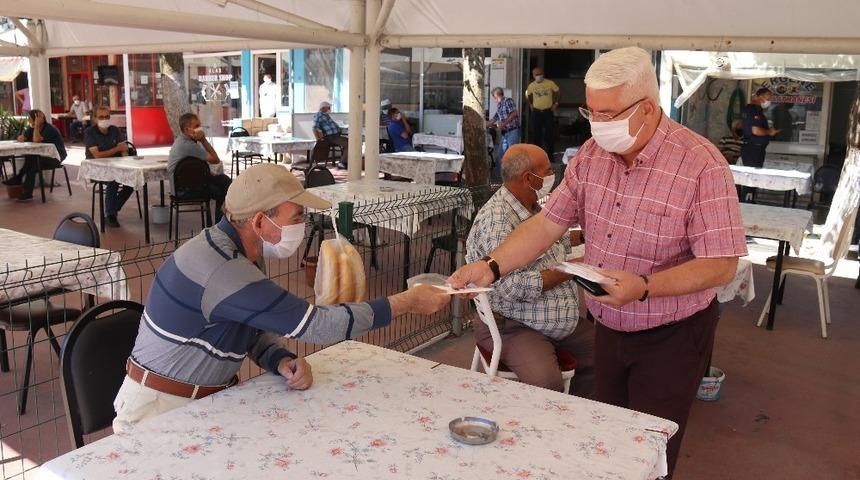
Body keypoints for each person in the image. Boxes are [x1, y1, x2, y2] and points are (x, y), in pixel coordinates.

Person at [449, 47, 747, 478]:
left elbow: (721, 264)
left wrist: (644, 287)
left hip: (672, 334)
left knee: (650, 448)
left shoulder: (701, 164)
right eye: (591, 111)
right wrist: (492, 266)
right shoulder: (591, 156)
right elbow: (546, 225)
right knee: (607, 435)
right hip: (609, 325)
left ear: (647, 108)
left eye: (608, 113)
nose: (597, 123)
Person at [113, 163, 451, 432]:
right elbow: (317, 325)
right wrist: (407, 301)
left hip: (198, 402)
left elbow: (244, 326)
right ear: (260, 222)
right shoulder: (225, 268)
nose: (302, 225)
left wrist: (278, 358)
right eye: (297, 217)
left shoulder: (233, 251)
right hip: (161, 411)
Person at [466, 144, 594, 396]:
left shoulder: (528, 205)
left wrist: (582, 236)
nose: (553, 175)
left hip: (552, 321)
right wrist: (571, 270)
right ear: (528, 178)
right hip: (514, 324)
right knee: (546, 384)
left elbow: (549, 239)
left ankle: (578, 412)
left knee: (608, 357)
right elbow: (510, 287)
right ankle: (551, 417)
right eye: (547, 171)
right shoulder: (498, 219)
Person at [168, 113, 232, 222]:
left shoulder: (183, 140)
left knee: (224, 180)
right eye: (196, 126)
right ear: (187, 130)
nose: (200, 129)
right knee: (220, 192)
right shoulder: (188, 145)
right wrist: (203, 140)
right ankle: (220, 224)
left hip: (190, 183)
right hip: (183, 189)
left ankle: (223, 221)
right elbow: (215, 159)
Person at [2, 110, 67, 202]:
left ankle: (26, 190)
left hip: (55, 158)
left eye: (30, 118)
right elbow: (22, 138)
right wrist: (21, 137)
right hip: (43, 156)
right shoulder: (31, 128)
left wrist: (36, 126)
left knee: (33, 163)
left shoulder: (49, 129)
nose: (29, 120)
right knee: (31, 158)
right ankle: (20, 181)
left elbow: (37, 140)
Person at [84, 106, 132, 227]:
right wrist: (117, 149)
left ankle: (113, 209)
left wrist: (125, 157)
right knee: (113, 179)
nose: (104, 119)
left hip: (115, 166)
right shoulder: (90, 132)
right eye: (101, 117)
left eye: (107, 117)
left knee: (132, 180)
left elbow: (123, 149)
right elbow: (97, 155)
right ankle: (110, 215)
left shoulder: (114, 130)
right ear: (95, 118)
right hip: (96, 168)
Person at [740, 87, 779, 202]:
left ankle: (750, 200)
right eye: (768, 98)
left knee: (753, 178)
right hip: (753, 149)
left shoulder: (756, 110)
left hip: (756, 148)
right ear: (760, 96)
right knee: (751, 178)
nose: (769, 101)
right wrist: (769, 132)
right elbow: (755, 130)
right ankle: (747, 202)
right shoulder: (753, 110)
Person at [525, 67, 560, 157]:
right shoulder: (531, 85)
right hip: (536, 113)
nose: (539, 76)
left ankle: (550, 156)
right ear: (533, 75)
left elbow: (558, 92)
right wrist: (530, 104)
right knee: (536, 135)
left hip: (548, 112)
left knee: (549, 134)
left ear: (543, 74)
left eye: (540, 74)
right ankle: (537, 156)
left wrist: (556, 103)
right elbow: (527, 95)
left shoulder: (550, 83)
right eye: (536, 75)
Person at [487, 87, 520, 178]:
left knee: (512, 155)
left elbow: (514, 113)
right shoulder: (499, 105)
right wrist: (484, 124)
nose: (494, 99)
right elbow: (494, 119)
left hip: (512, 131)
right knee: (500, 155)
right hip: (505, 133)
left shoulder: (508, 101)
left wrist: (504, 123)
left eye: (494, 97)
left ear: (496, 95)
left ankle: (514, 176)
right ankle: (500, 177)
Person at [312, 101, 349, 169]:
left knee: (349, 142)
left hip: (336, 136)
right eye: (328, 107)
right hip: (331, 137)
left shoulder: (326, 115)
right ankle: (342, 162)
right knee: (349, 143)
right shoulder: (318, 115)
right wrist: (318, 139)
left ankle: (345, 160)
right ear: (323, 108)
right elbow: (314, 128)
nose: (330, 109)